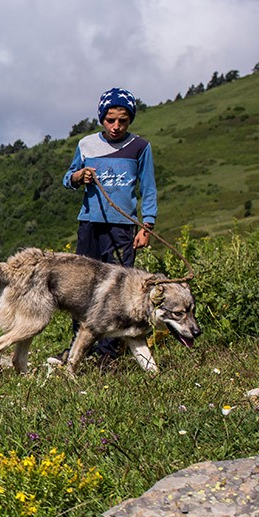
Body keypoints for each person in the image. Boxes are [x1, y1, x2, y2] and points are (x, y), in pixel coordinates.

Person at [63, 87, 157, 359]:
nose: (116, 126)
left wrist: (146, 226)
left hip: (121, 227)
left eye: (123, 120)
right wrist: (79, 176)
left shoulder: (140, 147)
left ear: (130, 120)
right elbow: (67, 178)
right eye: (110, 120)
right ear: (101, 118)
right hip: (89, 224)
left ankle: (109, 353)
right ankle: (78, 348)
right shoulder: (86, 145)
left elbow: (148, 188)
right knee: (81, 288)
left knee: (118, 290)